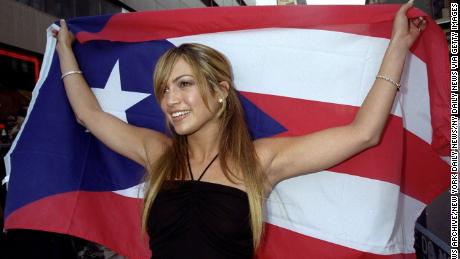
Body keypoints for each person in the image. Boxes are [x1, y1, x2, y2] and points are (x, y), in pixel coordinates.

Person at [52, 1, 426, 258]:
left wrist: (397, 46)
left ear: (219, 93)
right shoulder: (159, 153)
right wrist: (65, 50)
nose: (170, 99)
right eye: (164, 89)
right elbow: (90, 116)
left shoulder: (259, 160)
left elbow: (363, 133)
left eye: (184, 84)